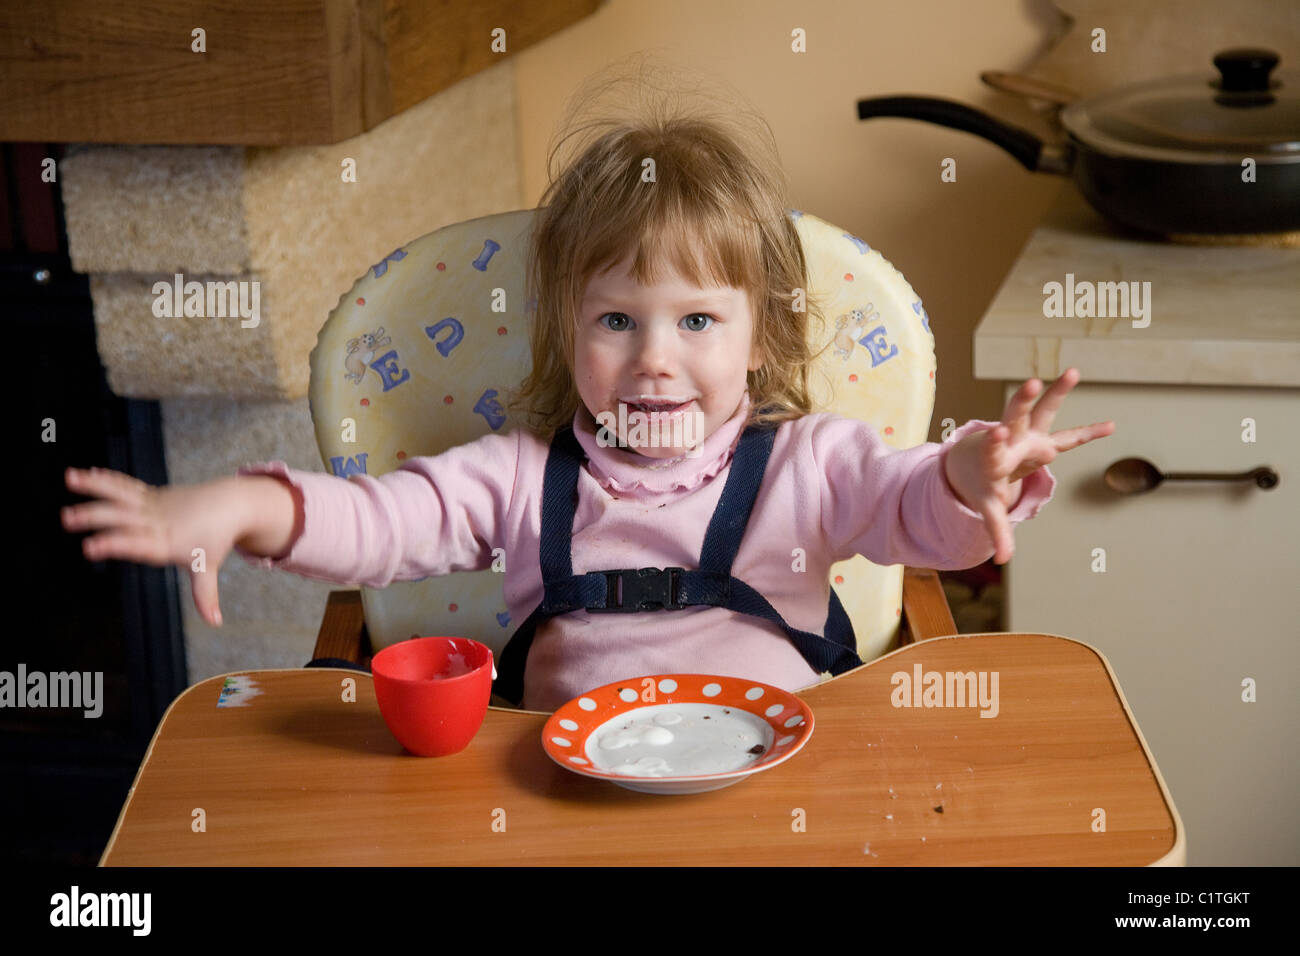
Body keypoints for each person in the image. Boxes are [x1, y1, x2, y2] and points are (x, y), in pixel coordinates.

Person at [59, 59, 1114, 713]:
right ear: (569, 335)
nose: (655, 356)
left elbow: (913, 512)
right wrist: (244, 502)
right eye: (617, 319)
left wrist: (972, 476)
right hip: (560, 803)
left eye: (698, 320)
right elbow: (381, 522)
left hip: (782, 798)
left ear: (759, 338)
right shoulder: (518, 479)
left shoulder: (811, 462)